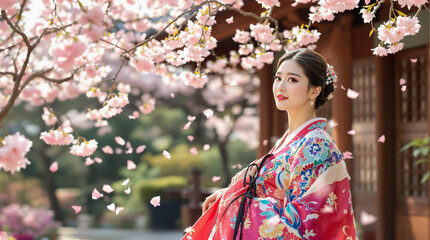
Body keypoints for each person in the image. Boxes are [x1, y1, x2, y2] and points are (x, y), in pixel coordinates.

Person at [182, 48, 358, 240]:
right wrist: (231, 194)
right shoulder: (290, 140)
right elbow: (271, 190)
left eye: (292, 80)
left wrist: (235, 201)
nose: (280, 87)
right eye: (278, 78)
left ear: (314, 91)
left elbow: (304, 222)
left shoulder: (316, 145)